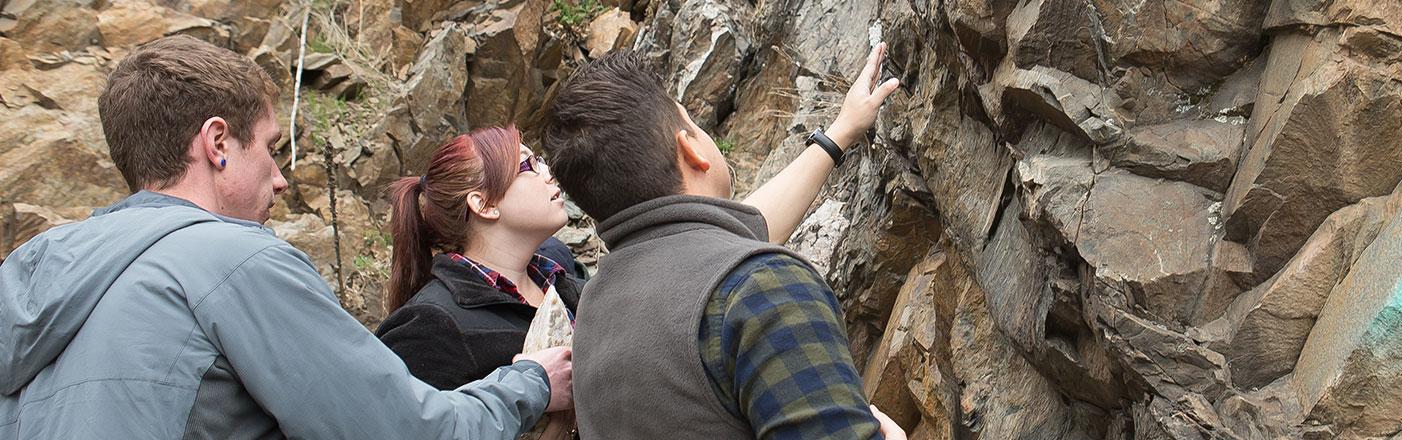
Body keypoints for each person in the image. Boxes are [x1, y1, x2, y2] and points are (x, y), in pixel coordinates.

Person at [0, 35, 571, 439]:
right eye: (270, 147)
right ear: (217, 143)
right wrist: (530, 385)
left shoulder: (34, 281)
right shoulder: (234, 262)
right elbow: (403, 431)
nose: (279, 180)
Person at [541, 42, 903, 439]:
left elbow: (726, 236)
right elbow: (732, 268)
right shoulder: (764, 289)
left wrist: (840, 131)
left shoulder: (594, 311)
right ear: (690, 147)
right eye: (693, 123)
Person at [376, 126, 583, 393]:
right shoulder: (431, 328)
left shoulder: (561, 282)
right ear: (484, 205)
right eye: (528, 166)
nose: (548, 173)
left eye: (539, 160)